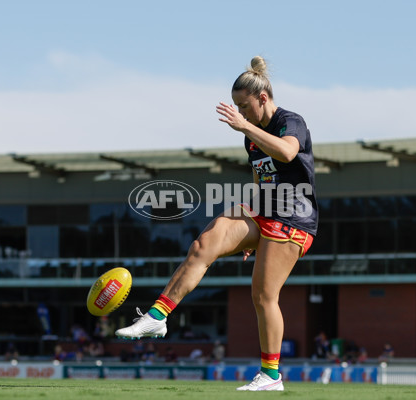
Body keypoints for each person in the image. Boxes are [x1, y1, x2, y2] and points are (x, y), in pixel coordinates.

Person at [115, 56, 318, 392]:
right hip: (263, 210)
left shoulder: (289, 121)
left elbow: (286, 153)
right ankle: (157, 316)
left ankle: (270, 376)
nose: (240, 113)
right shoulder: (249, 136)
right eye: (237, 107)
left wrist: (245, 126)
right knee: (204, 244)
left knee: (263, 295)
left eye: (244, 106)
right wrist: (249, 233)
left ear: (262, 98)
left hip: (294, 216)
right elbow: (261, 178)